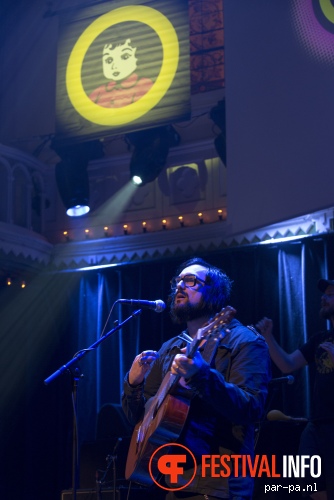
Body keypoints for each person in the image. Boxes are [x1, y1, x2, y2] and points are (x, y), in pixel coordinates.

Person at [122, 257, 271, 499]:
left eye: (190, 281)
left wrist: (201, 375)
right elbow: (139, 421)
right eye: (178, 281)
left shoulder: (246, 341)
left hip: (218, 483)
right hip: (170, 482)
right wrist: (133, 383)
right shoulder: (169, 348)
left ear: (214, 293)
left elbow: (251, 408)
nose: (180, 286)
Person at [256, 278, 334, 500]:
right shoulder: (320, 339)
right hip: (317, 425)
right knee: (309, 486)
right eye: (324, 294)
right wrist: (268, 337)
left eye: (330, 294)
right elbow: (287, 364)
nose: (323, 298)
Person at [89, 37, 153, 108]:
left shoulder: (143, 85)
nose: (115, 66)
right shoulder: (99, 91)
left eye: (125, 57)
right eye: (109, 60)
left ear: (137, 58)